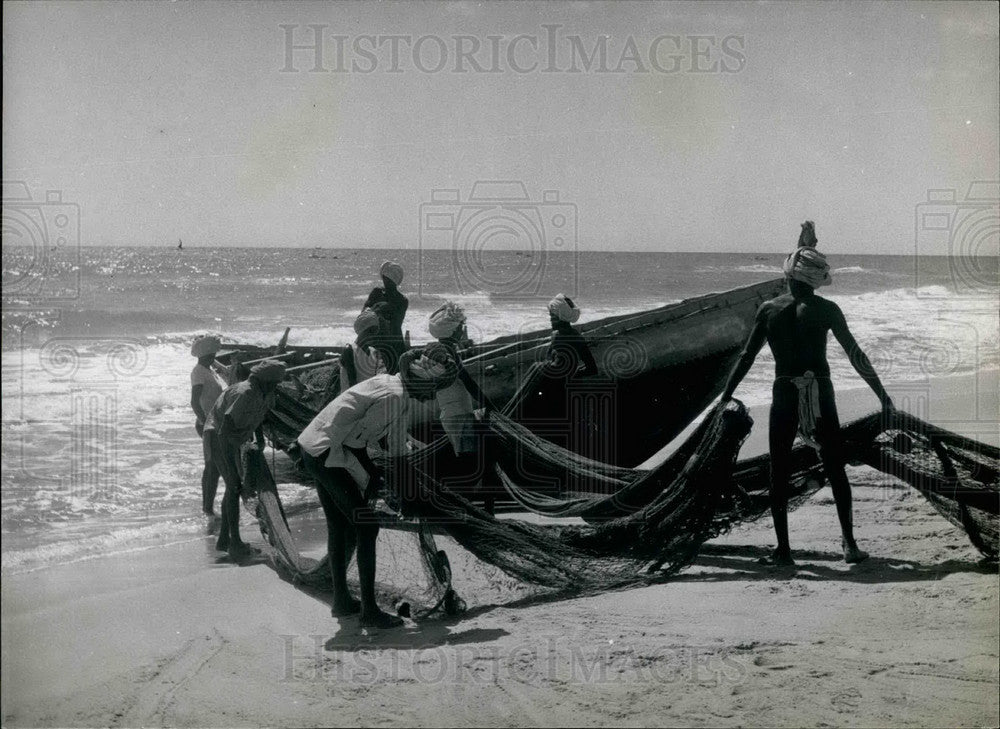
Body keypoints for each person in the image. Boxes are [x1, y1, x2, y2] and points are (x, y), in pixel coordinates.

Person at [721, 221, 895, 566]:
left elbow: (747, 356)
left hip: (784, 391)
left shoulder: (769, 309)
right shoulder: (827, 310)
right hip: (821, 391)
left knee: (779, 469)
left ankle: (783, 551)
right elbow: (856, 354)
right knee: (834, 466)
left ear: (788, 275)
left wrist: (725, 394)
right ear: (816, 280)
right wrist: (883, 396)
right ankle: (849, 545)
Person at [296, 344, 458, 629]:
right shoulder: (393, 396)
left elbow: (397, 452)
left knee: (340, 525)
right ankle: (369, 611)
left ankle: (342, 601)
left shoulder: (400, 395)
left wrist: (410, 493)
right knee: (366, 526)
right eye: (432, 389)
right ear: (420, 381)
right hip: (324, 450)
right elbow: (354, 444)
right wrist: (372, 478)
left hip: (319, 445)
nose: (432, 396)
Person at [202, 359, 287, 561]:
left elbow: (259, 416)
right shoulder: (244, 392)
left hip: (234, 437)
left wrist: (258, 441)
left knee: (233, 487)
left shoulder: (264, 393)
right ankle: (235, 543)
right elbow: (225, 429)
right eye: (274, 383)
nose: (276, 386)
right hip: (218, 435)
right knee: (234, 485)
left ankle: (224, 538)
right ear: (264, 380)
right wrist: (231, 464)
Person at [428, 301, 500, 513]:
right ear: (452, 330)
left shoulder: (438, 350)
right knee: (470, 465)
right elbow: (468, 382)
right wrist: (490, 405)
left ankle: (474, 509)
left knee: (471, 461)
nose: (462, 331)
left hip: (453, 412)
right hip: (459, 414)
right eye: (460, 327)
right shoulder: (449, 352)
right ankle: (466, 510)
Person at [190, 335, 225, 518]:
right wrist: (204, 422)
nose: (214, 357)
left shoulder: (209, 370)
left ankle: (208, 506)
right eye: (211, 355)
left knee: (213, 466)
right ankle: (207, 508)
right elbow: (194, 401)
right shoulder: (199, 372)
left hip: (214, 423)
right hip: (207, 423)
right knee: (212, 466)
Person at [362, 261, 408, 370]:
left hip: (390, 342)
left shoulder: (402, 300)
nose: (385, 281)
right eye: (385, 278)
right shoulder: (377, 293)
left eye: (388, 279)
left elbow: (395, 324)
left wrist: (380, 309)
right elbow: (363, 316)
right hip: (380, 340)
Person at [338, 309, 388, 395]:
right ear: (361, 330)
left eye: (375, 331)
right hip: (350, 399)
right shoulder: (349, 350)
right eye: (370, 331)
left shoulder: (374, 352)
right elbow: (352, 384)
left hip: (368, 397)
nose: (373, 335)